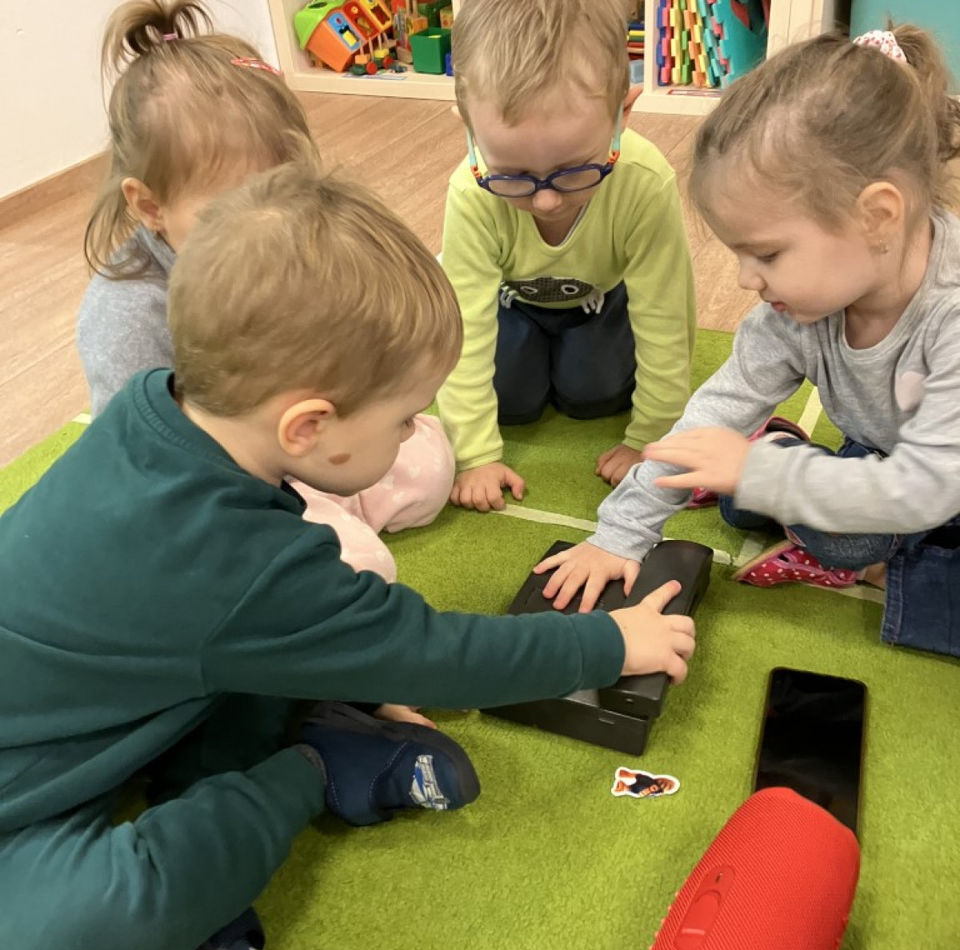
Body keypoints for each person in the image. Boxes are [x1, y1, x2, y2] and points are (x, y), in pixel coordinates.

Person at [0, 165, 696, 950]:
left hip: (115, 708)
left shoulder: (154, 408)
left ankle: (281, 769)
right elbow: (437, 656)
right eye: (403, 419)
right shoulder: (239, 562)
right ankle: (312, 767)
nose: (412, 435)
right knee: (82, 931)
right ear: (307, 427)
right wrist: (609, 644)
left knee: (250, 665)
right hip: (27, 803)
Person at [75, 2, 456, 718]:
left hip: (301, 451)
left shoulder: (288, 251)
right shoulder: (128, 314)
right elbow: (148, 487)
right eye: (230, 208)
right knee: (361, 569)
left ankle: (338, 510)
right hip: (218, 503)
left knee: (429, 464)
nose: (267, 229)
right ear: (149, 205)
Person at [534, 26, 960, 657]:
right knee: (823, 520)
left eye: (766, 253)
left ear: (876, 217)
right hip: (890, 458)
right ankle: (791, 477)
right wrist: (618, 536)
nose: (743, 279)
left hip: (936, 476)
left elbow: (929, 485)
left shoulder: (949, 315)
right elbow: (713, 410)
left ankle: (789, 478)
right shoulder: (796, 312)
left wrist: (759, 472)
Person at [437, 0, 696, 512]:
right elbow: (462, 328)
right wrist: (474, 456)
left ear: (622, 114)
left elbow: (667, 319)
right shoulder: (470, 192)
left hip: (601, 301)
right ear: (468, 128)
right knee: (510, 401)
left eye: (575, 169)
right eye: (512, 174)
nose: (546, 200)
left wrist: (651, 437)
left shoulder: (645, 183)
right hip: (510, 305)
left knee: (592, 395)